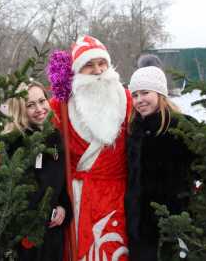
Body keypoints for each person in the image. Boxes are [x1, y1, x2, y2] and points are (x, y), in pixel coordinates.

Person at [50, 35, 130, 260]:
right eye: (89, 65)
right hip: (77, 198)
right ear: (76, 71)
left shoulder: (127, 99)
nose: (97, 71)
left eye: (102, 63)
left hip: (117, 198)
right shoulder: (61, 105)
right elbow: (31, 133)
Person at [125, 66, 196, 261]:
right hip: (140, 227)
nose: (140, 100)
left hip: (173, 224)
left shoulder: (181, 127)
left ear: (160, 93)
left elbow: (203, 167)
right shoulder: (134, 131)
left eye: (145, 93)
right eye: (135, 95)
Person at [2, 81, 71, 261]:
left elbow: (60, 181)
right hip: (25, 238)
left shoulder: (54, 137)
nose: (39, 108)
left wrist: (63, 205)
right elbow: (20, 192)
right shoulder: (16, 143)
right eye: (31, 105)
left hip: (52, 233)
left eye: (42, 101)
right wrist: (46, 212)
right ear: (20, 109)